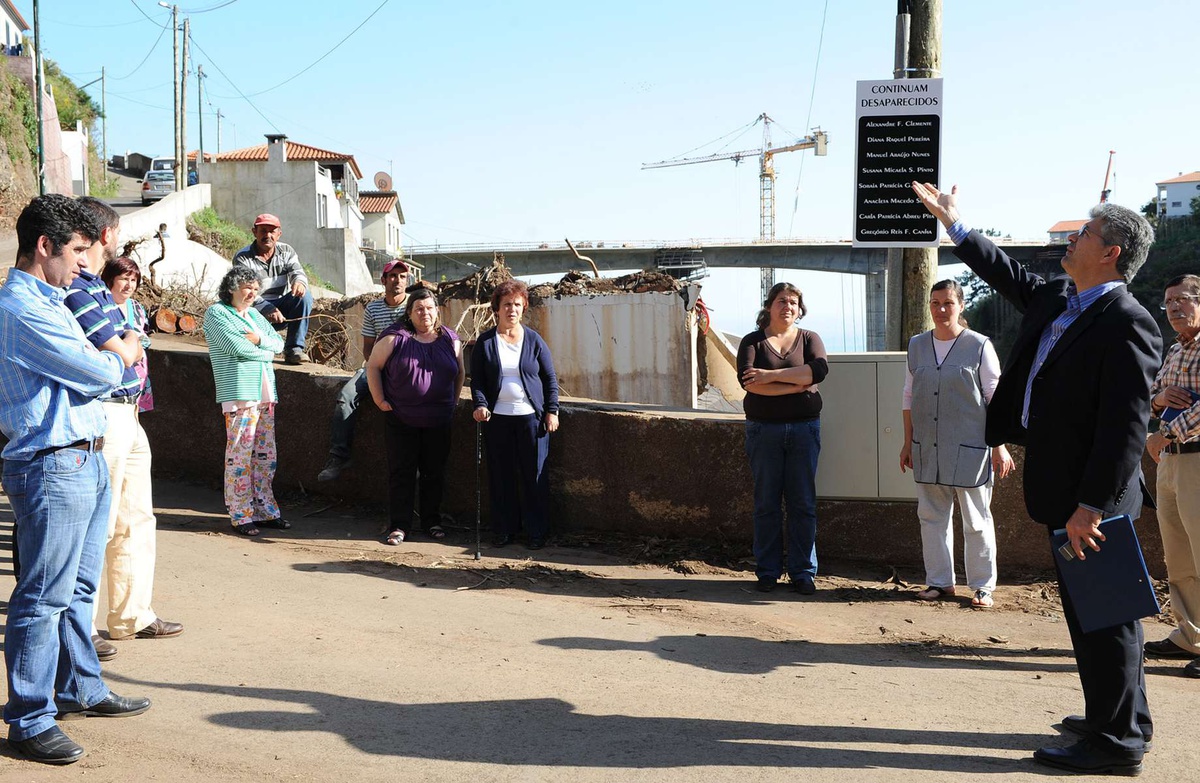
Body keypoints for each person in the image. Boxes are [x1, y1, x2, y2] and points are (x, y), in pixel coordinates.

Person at [914, 181, 1159, 776]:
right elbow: (1009, 275)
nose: (1073, 239)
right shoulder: (1062, 299)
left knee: (1107, 618)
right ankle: (1118, 716)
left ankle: (1116, 744)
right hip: (1063, 487)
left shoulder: (1127, 322)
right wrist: (958, 226)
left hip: (1091, 500)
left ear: (1112, 253)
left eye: (1086, 234)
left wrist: (1092, 506)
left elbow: (1125, 428)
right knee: (1090, 614)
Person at [0, 194, 152, 766]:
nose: (87, 264)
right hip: (52, 461)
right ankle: (29, 718)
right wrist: (120, 358)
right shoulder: (23, 308)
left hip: (81, 455)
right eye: (79, 251)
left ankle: (79, 686)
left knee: (78, 588)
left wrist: (113, 363)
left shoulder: (53, 299)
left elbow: (104, 372)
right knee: (43, 595)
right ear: (45, 246)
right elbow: (103, 368)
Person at [66, 198, 183, 659]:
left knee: (136, 517)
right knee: (101, 521)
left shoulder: (97, 290)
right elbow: (120, 352)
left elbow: (127, 346)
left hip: (130, 412)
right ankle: (85, 624)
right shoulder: (79, 289)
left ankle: (132, 615)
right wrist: (131, 342)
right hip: (105, 411)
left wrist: (130, 343)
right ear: (107, 235)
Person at [900, 279, 1014, 609]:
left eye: (947, 303)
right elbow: (909, 395)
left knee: (977, 519)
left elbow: (996, 398)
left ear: (961, 306)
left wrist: (1000, 445)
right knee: (931, 517)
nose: (940, 309)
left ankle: (982, 586)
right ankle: (939, 582)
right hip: (927, 448)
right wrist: (908, 442)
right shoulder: (917, 345)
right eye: (935, 303)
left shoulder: (979, 346)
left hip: (971, 448)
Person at [736, 282, 828, 595]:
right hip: (764, 430)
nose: (787, 306)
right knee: (766, 503)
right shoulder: (753, 341)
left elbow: (818, 371)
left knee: (803, 503)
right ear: (769, 306)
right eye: (781, 301)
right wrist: (797, 383)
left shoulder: (809, 339)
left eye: (792, 302)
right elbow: (750, 383)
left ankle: (803, 573)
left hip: (804, 429)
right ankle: (768, 571)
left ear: (799, 309)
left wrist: (772, 376)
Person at [367, 287, 465, 544]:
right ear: (409, 313)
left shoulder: (450, 339)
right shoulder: (394, 337)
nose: (425, 313)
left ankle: (432, 521)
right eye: (419, 309)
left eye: (430, 308)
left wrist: (453, 401)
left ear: (437, 311)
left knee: (435, 473)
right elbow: (373, 367)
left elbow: (460, 373)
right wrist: (379, 400)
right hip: (402, 419)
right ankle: (399, 525)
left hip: (439, 420)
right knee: (402, 473)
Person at [471, 280, 560, 550]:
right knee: (501, 476)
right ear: (496, 308)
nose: (512, 309)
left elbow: (549, 378)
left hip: (531, 420)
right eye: (506, 304)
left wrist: (552, 411)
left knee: (534, 476)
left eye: (517, 305)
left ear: (524, 309)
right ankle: (505, 530)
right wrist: (480, 404)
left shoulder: (534, 340)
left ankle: (536, 532)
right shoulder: (485, 342)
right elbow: (477, 382)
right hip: (497, 419)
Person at [202, 267, 290, 537]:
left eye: (255, 288)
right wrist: (266, 353)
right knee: (240, 454)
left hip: (264, 392)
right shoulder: (217, 313)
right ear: (231, 288)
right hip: (240, 392)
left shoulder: (253, 314)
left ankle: (265, 510)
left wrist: (261, 340)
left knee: (266, 456)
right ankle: (240, 514)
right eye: (246, 287)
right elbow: (236, 347)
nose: (252, 293)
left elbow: (277, 343)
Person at [1143, 273, 1200, 677]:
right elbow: (1152, 396)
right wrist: (1159, 400)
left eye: (1182, 300)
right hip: (1172, 462)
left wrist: (1163, 432)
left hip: (1194, 457)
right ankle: (1190, 635)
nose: (1174, 308)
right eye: (1168, 303)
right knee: (1178, 555)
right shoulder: (1177, 350)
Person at [318, 259, 410, 482]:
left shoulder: (414, 306)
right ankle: (339, 456)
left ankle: (412, 462)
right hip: (377, 366)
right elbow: (369, 347)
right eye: (392, 276)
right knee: (345, 397)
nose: (397, 280)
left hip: (408, 369)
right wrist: (376, 371)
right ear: (384, 280)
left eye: (402, 276)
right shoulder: (373, 308)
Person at [231, 213, 312, 365]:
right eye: (263, 231)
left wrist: (299, 283)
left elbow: (298, 272)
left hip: (281, 309)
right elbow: (246, 291)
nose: (267, 235)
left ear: (279, 234)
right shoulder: (243, 257)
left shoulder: (286, 251)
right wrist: (266, 308)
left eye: (272, 231)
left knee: (304, 297)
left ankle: (294, 350)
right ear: (254, 232)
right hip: (252, 311)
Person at [103, 255, 155, 414]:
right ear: (111, 279)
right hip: (115, 381)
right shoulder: (101, 306)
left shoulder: (137, 308)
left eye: (133, 280)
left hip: (139, 377)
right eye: (124, 279)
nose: (129, 285)